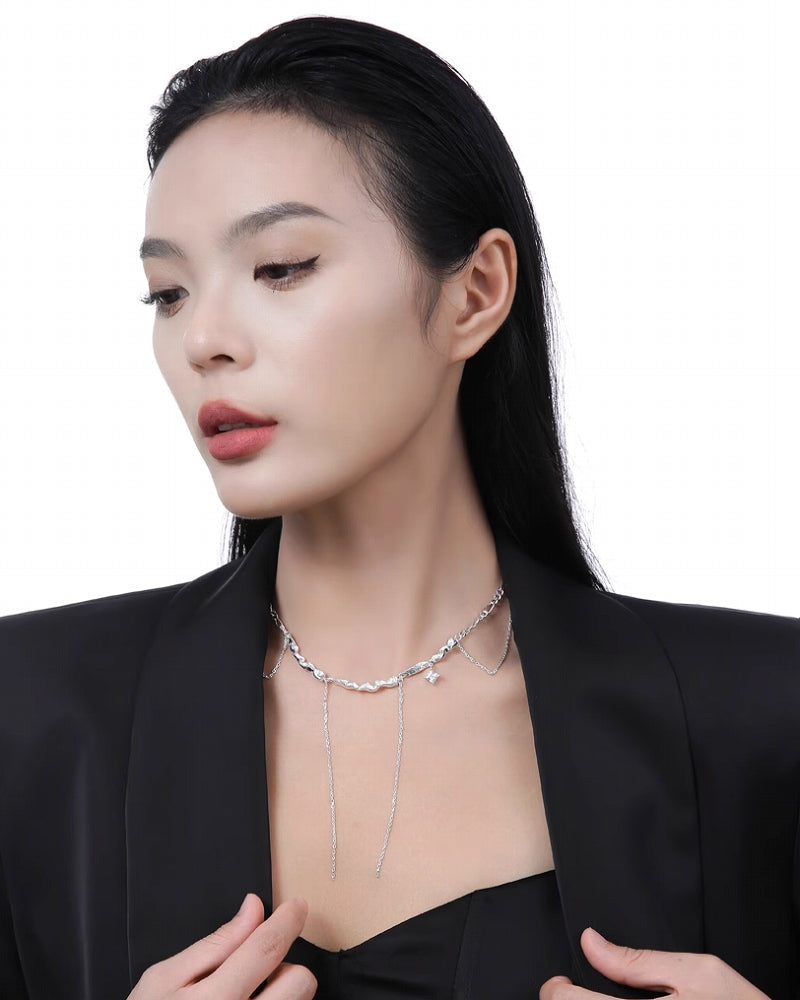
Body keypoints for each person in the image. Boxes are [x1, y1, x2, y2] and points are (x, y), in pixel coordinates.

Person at [0, 14, 797, 1000]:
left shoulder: (766, 718)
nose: (203, 338)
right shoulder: (30, 718)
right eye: (168, 292)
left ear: (475, 293)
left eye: (280, 267)